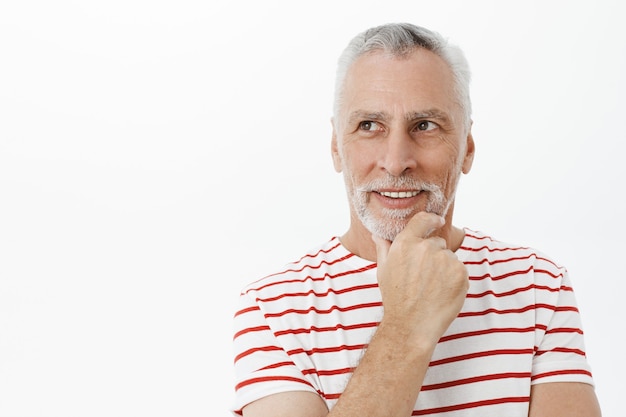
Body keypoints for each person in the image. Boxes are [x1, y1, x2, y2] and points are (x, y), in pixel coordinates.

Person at [231, 23, 602, 417]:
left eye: (425, 126)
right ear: (336, 147)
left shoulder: (537, 285)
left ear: (467, 149)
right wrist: (407, 327)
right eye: (369, 126)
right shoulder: (272, 308)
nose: (395, 161)